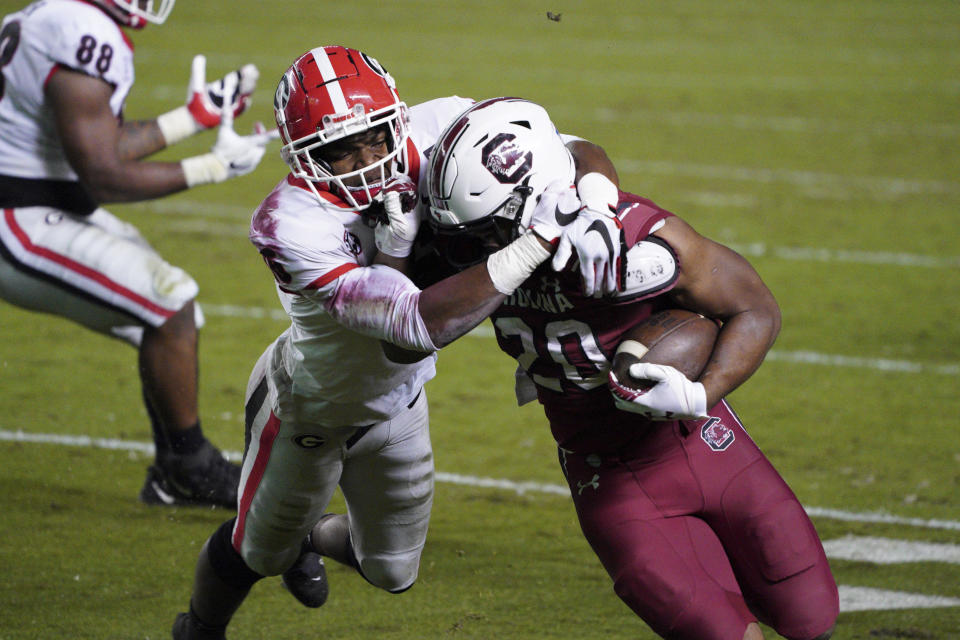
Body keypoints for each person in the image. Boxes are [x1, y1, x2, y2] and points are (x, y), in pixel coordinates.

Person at [172, 47, 623, 640]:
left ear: (398, 118)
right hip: (311, 404)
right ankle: (197, 629)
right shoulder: (290, 223)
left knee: (392, 573)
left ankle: (311, 533)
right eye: (339, 150)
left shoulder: (444, 128)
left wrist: (595, 205)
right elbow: (414, 328)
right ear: (302, 158)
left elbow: (573, 151)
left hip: (401, 401)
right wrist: (540, 238)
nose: (368, 162)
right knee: (259, 554)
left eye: (376, 139)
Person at [421, 98, 839, 640]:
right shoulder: (468, 253)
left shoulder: (638, 236)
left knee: (811, 617)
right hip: (612, 481)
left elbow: (755, 307)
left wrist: (701, 393)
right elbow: (411, 333)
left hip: (706, 441)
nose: (476, 242)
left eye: (490, 226)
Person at [0, 0, 276, 508]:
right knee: (169, 301)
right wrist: (211, 168)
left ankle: (175, 468)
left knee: (176, 313)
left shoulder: (52, 16)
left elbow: (99, 139)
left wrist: (193, 117)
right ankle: (188, 466)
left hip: (41, 202)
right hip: (17, 216)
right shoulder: (83, 29)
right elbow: (103, 172)